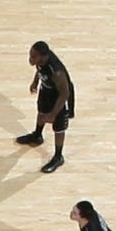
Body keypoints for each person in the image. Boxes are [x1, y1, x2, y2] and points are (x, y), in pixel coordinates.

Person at [19, 40, 74, 172]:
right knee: (41, 111)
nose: (30, 59)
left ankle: (58, 157)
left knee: (59, 127)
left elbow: (64, 94)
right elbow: (39, 70)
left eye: (33, 57)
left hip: (59, 95)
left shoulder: (57, 72)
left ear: (43, 56)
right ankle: (37, 135)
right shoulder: (41, 60)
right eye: (30, 55)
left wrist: (54, 114)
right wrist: (35, 82)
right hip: (46, 89)